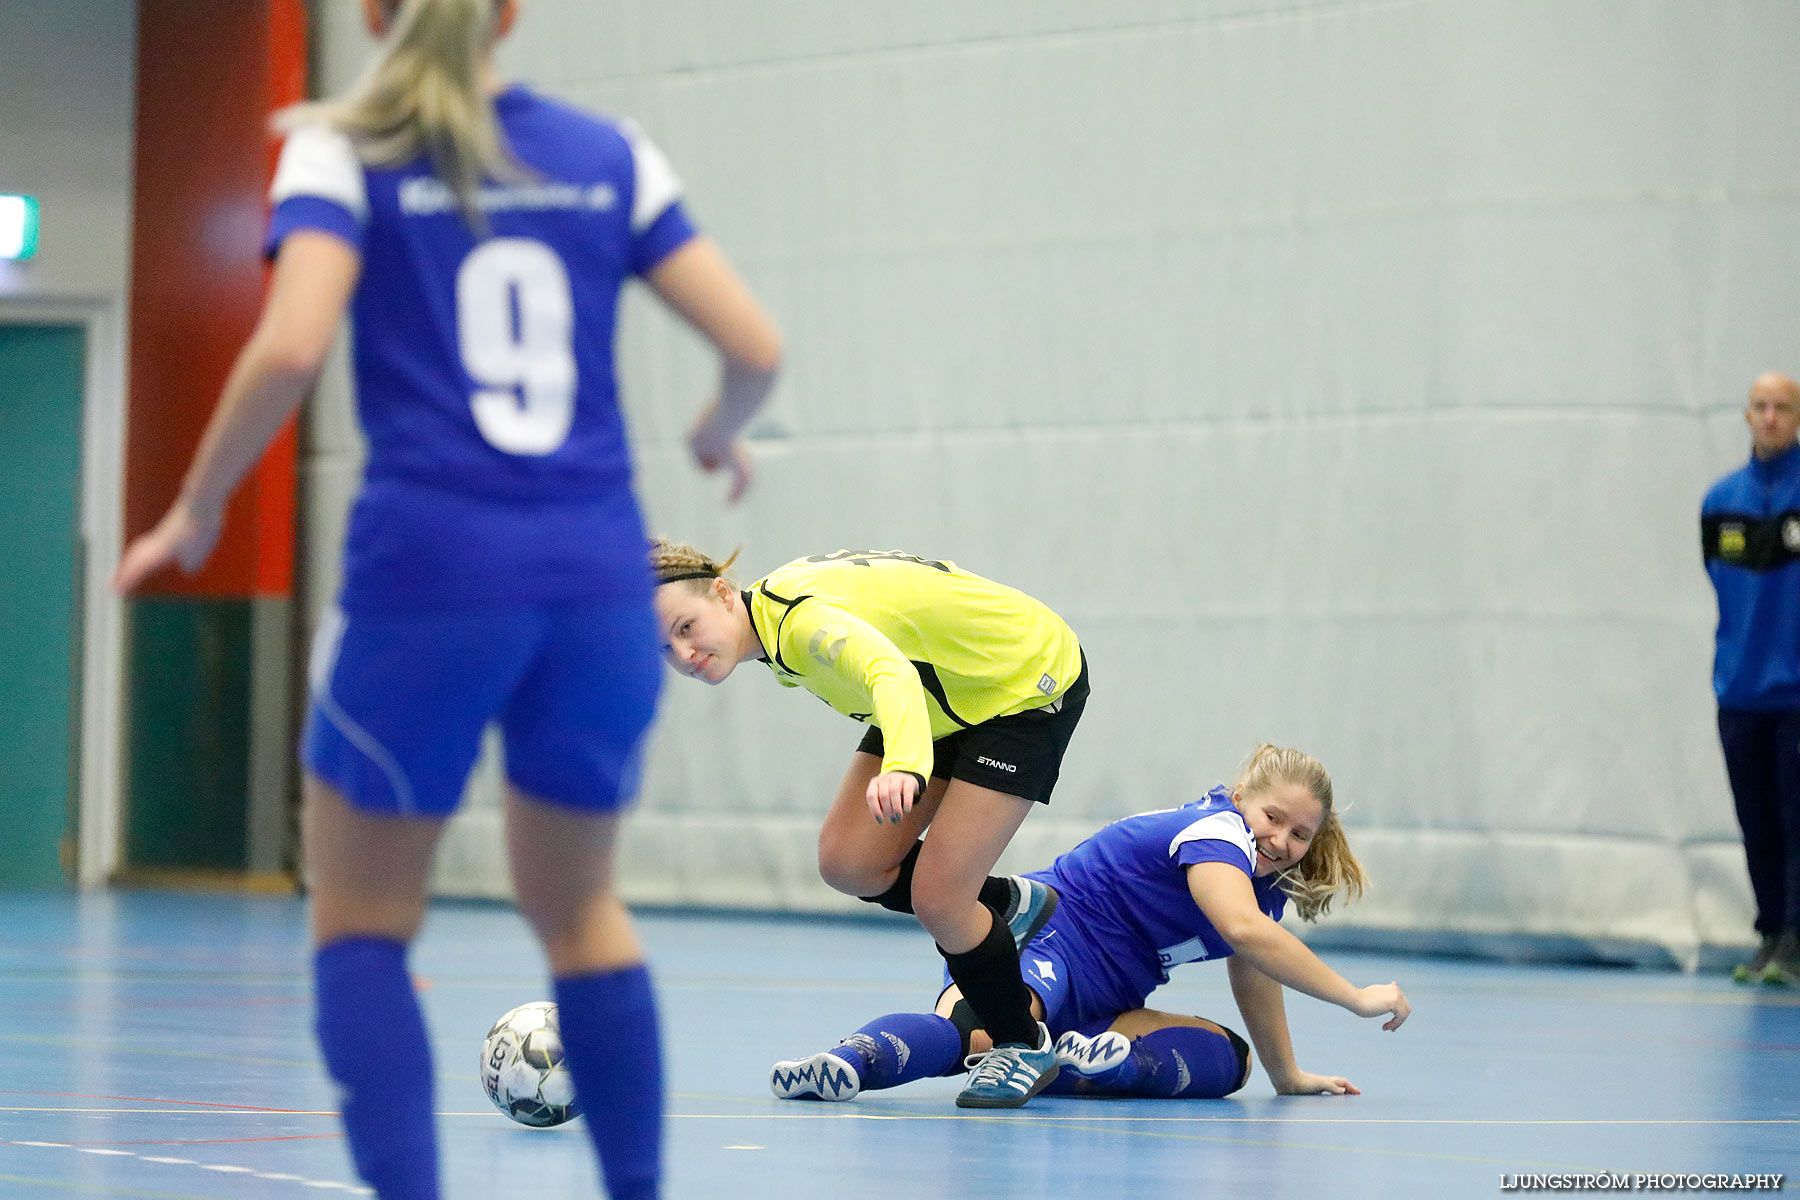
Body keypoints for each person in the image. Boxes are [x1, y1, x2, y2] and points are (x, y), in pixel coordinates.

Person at [113, 2, 781, 1196]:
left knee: (363, 923)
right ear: (510, 14)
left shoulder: (339, 148)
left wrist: (198, 507)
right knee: (580, 910)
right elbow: (755, 345)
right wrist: (719, 429)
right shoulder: (609, 153)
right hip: (589, 580)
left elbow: (288, 344)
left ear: (369, 14)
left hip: (424, 579)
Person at [649, 543, 1087, 1107]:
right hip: (941, 690)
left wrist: (905, 764)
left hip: (1018, 680)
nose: (684, 654)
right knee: (849, 863)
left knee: (939, 899)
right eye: (664, 647)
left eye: (687, 626)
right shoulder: (770, 624)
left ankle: (1021, 1045)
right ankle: (1006, 903)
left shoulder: (801, 625)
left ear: (724, 593)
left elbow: (890, 674)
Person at [766, 745, 1410, 1103]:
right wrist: (1356, 998)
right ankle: (849, 1062)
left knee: (1229, 1061)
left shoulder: (1262, 888)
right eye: (1273, 817)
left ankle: (1099, 1063)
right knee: (983, 1034)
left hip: (1111, 999)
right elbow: (1242, 933)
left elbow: (1256, 960)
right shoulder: (1217, 833)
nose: (1281, 840)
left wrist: (1287, 1075)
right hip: (1045, 940)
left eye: (1301, 834)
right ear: (1241, 798)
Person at [1703, 371, 1800, 987]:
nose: (1770, 417)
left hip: (1794, 698)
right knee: (1757, 820)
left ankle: (1796, 941)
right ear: (1746, 416)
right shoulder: (1720, 502)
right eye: (1760, 407)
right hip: (1739, 696)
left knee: (1796, 821)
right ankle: (1770, 935)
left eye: (1782, 408)